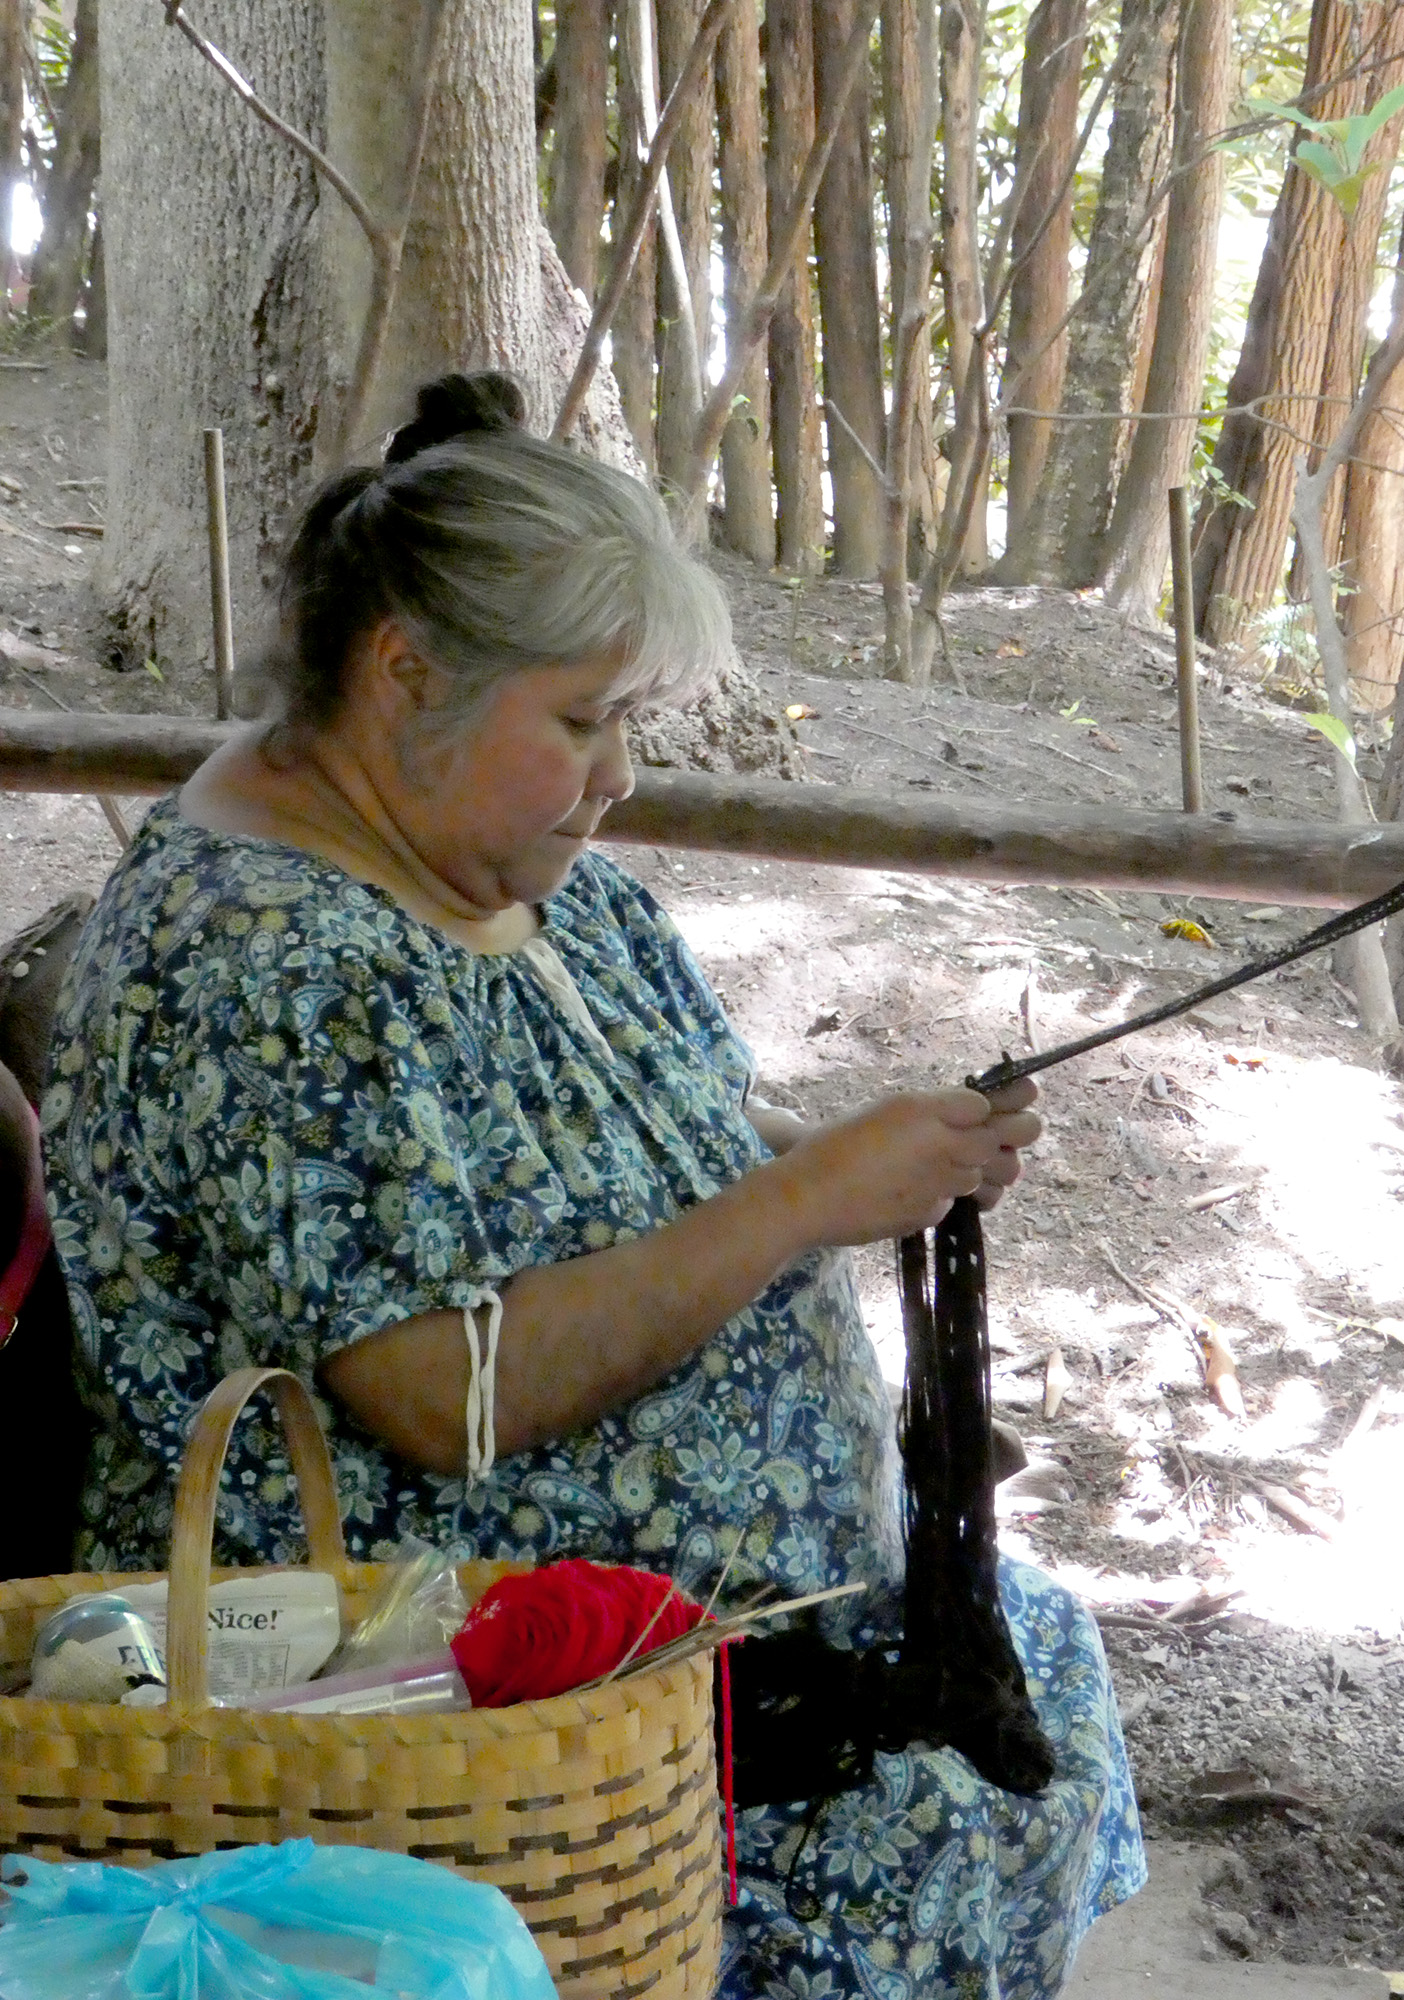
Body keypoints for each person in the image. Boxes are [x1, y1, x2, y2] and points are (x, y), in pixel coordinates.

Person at [44, 373, 1144, 1998]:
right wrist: (802, 1203)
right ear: (401, 668)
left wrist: (870, 1157)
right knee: (915, 1811)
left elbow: (656, 1135)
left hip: (727, 1622)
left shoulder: (519, 870)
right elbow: (432, 1393)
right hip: (438, 1702)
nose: (619, 773)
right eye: (581, 719)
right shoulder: (266, 963)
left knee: (1028, 1648)